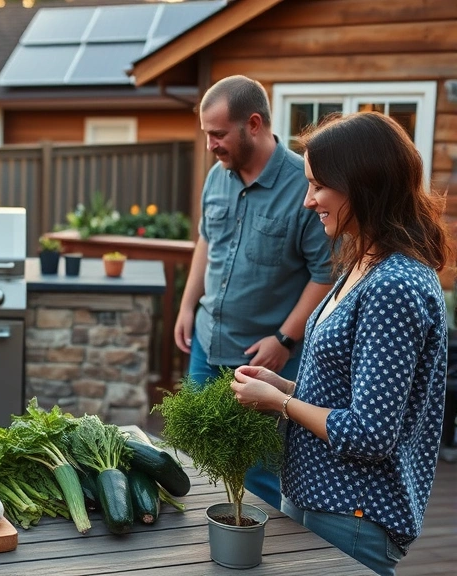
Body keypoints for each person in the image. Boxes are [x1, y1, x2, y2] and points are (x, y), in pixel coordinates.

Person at [232, 111, 452, 575]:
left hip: (353, 512)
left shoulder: (396, 285)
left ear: (363, 184)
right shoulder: (364, 261)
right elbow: (348, 396)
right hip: (316, 498)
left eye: (318, 185)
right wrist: (286, 387)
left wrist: (279, 402)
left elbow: (370, 434)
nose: (308, 200)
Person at [173, 75, 334, 507]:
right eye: (207, 133)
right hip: (207, 345)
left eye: (218, 134)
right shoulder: (216, 176)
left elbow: (325, 274)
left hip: (263, 359)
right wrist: (188, 306)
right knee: (197, 458)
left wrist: (285, 340)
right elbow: (206, 241)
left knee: (261, 473)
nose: (211, 144)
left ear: (255, 124)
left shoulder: (304, 186)